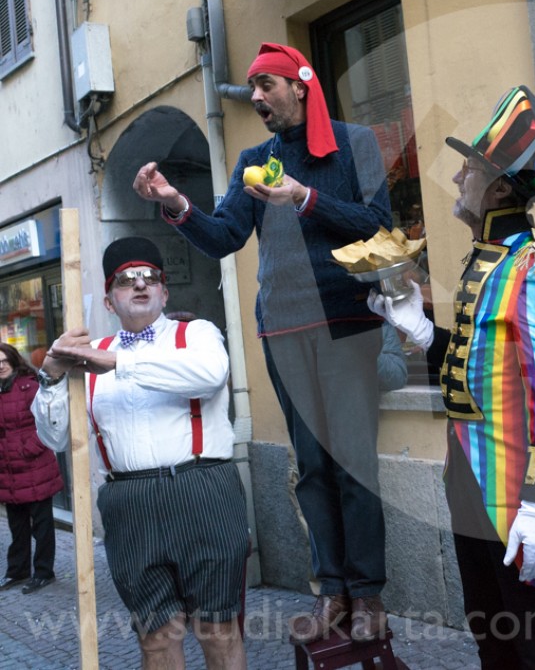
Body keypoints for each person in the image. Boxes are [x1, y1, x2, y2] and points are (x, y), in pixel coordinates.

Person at [131, 42, 392, 643]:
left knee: (353, 464)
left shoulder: (355, 144)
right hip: (282, 327)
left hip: (346, 322)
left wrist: (304, 198)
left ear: (300, 85)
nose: (254, 97)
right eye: (252, 87)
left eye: (265, 85)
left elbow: (378, 223)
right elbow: (224, 236)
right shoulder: (255, 160)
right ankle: (332, 590)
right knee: (312, 468)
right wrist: (175, 203)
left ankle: (368, 593)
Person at [370, 85, 535, 669]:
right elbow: (478, 366)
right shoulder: (487, 255)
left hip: (519, 487)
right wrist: (422, 331)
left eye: (468, 168)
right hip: (470, 482)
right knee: (492, 640)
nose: (456, 177)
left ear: (498, 188)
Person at [31, 237, 250, 669]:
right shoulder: (90, 357)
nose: (140, 284)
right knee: (155, 637)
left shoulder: (197, 334)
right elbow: (55, 438)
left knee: (218, 630)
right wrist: (52, 376)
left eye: (150, 277)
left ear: (164, 293)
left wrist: (118, 364)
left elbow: (210, 375)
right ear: (109, 301)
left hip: (203, 489)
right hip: (129, 502)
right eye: (125, 279)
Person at [0, 343, 63, 595]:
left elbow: (48, 423)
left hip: (35, 466)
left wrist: (28, 448)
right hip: (8, 471)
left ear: (13, 360)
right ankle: (18, 571)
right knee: (17, 526)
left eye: (4, 361)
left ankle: (44, 572)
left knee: (42, 525)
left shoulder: (30, 385)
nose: (0, 366)